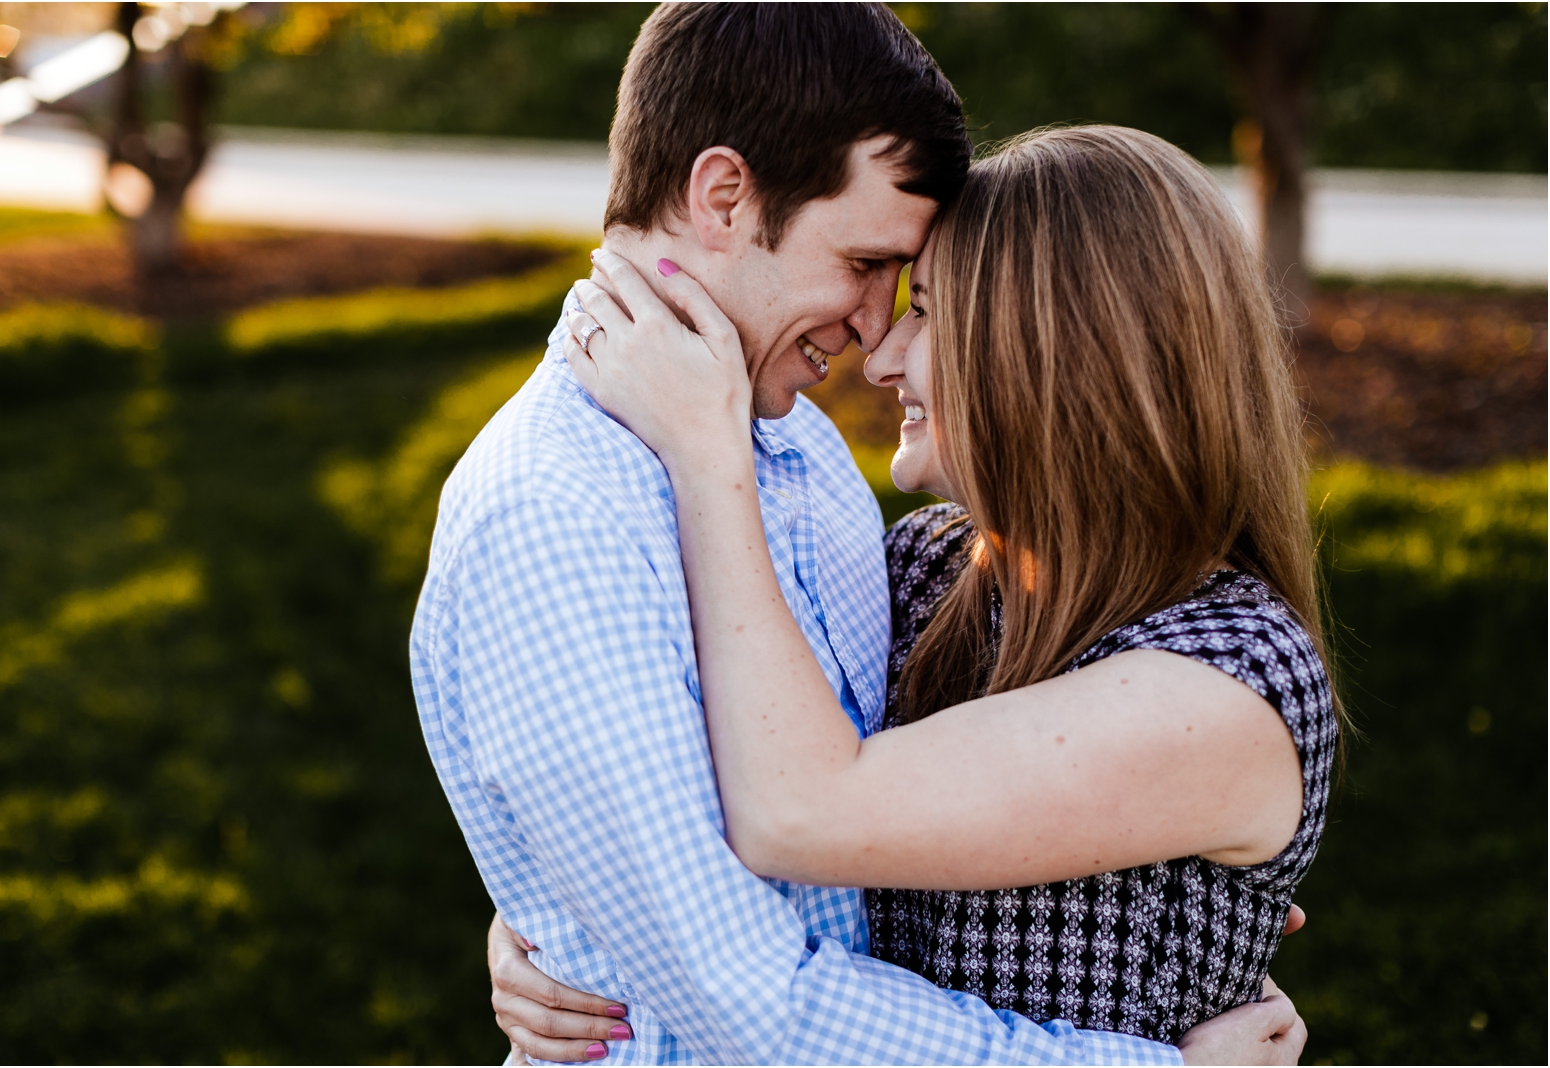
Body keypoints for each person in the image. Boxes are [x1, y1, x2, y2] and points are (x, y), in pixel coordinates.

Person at [412, 4, 1306, 1063]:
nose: (876, 332)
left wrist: (1202, 902)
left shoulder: (807, 467)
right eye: (869, 262)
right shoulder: (553, 519)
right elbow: (738, 994)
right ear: (724, 197)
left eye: (917, 293)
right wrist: (559, 910)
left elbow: (825, 811)